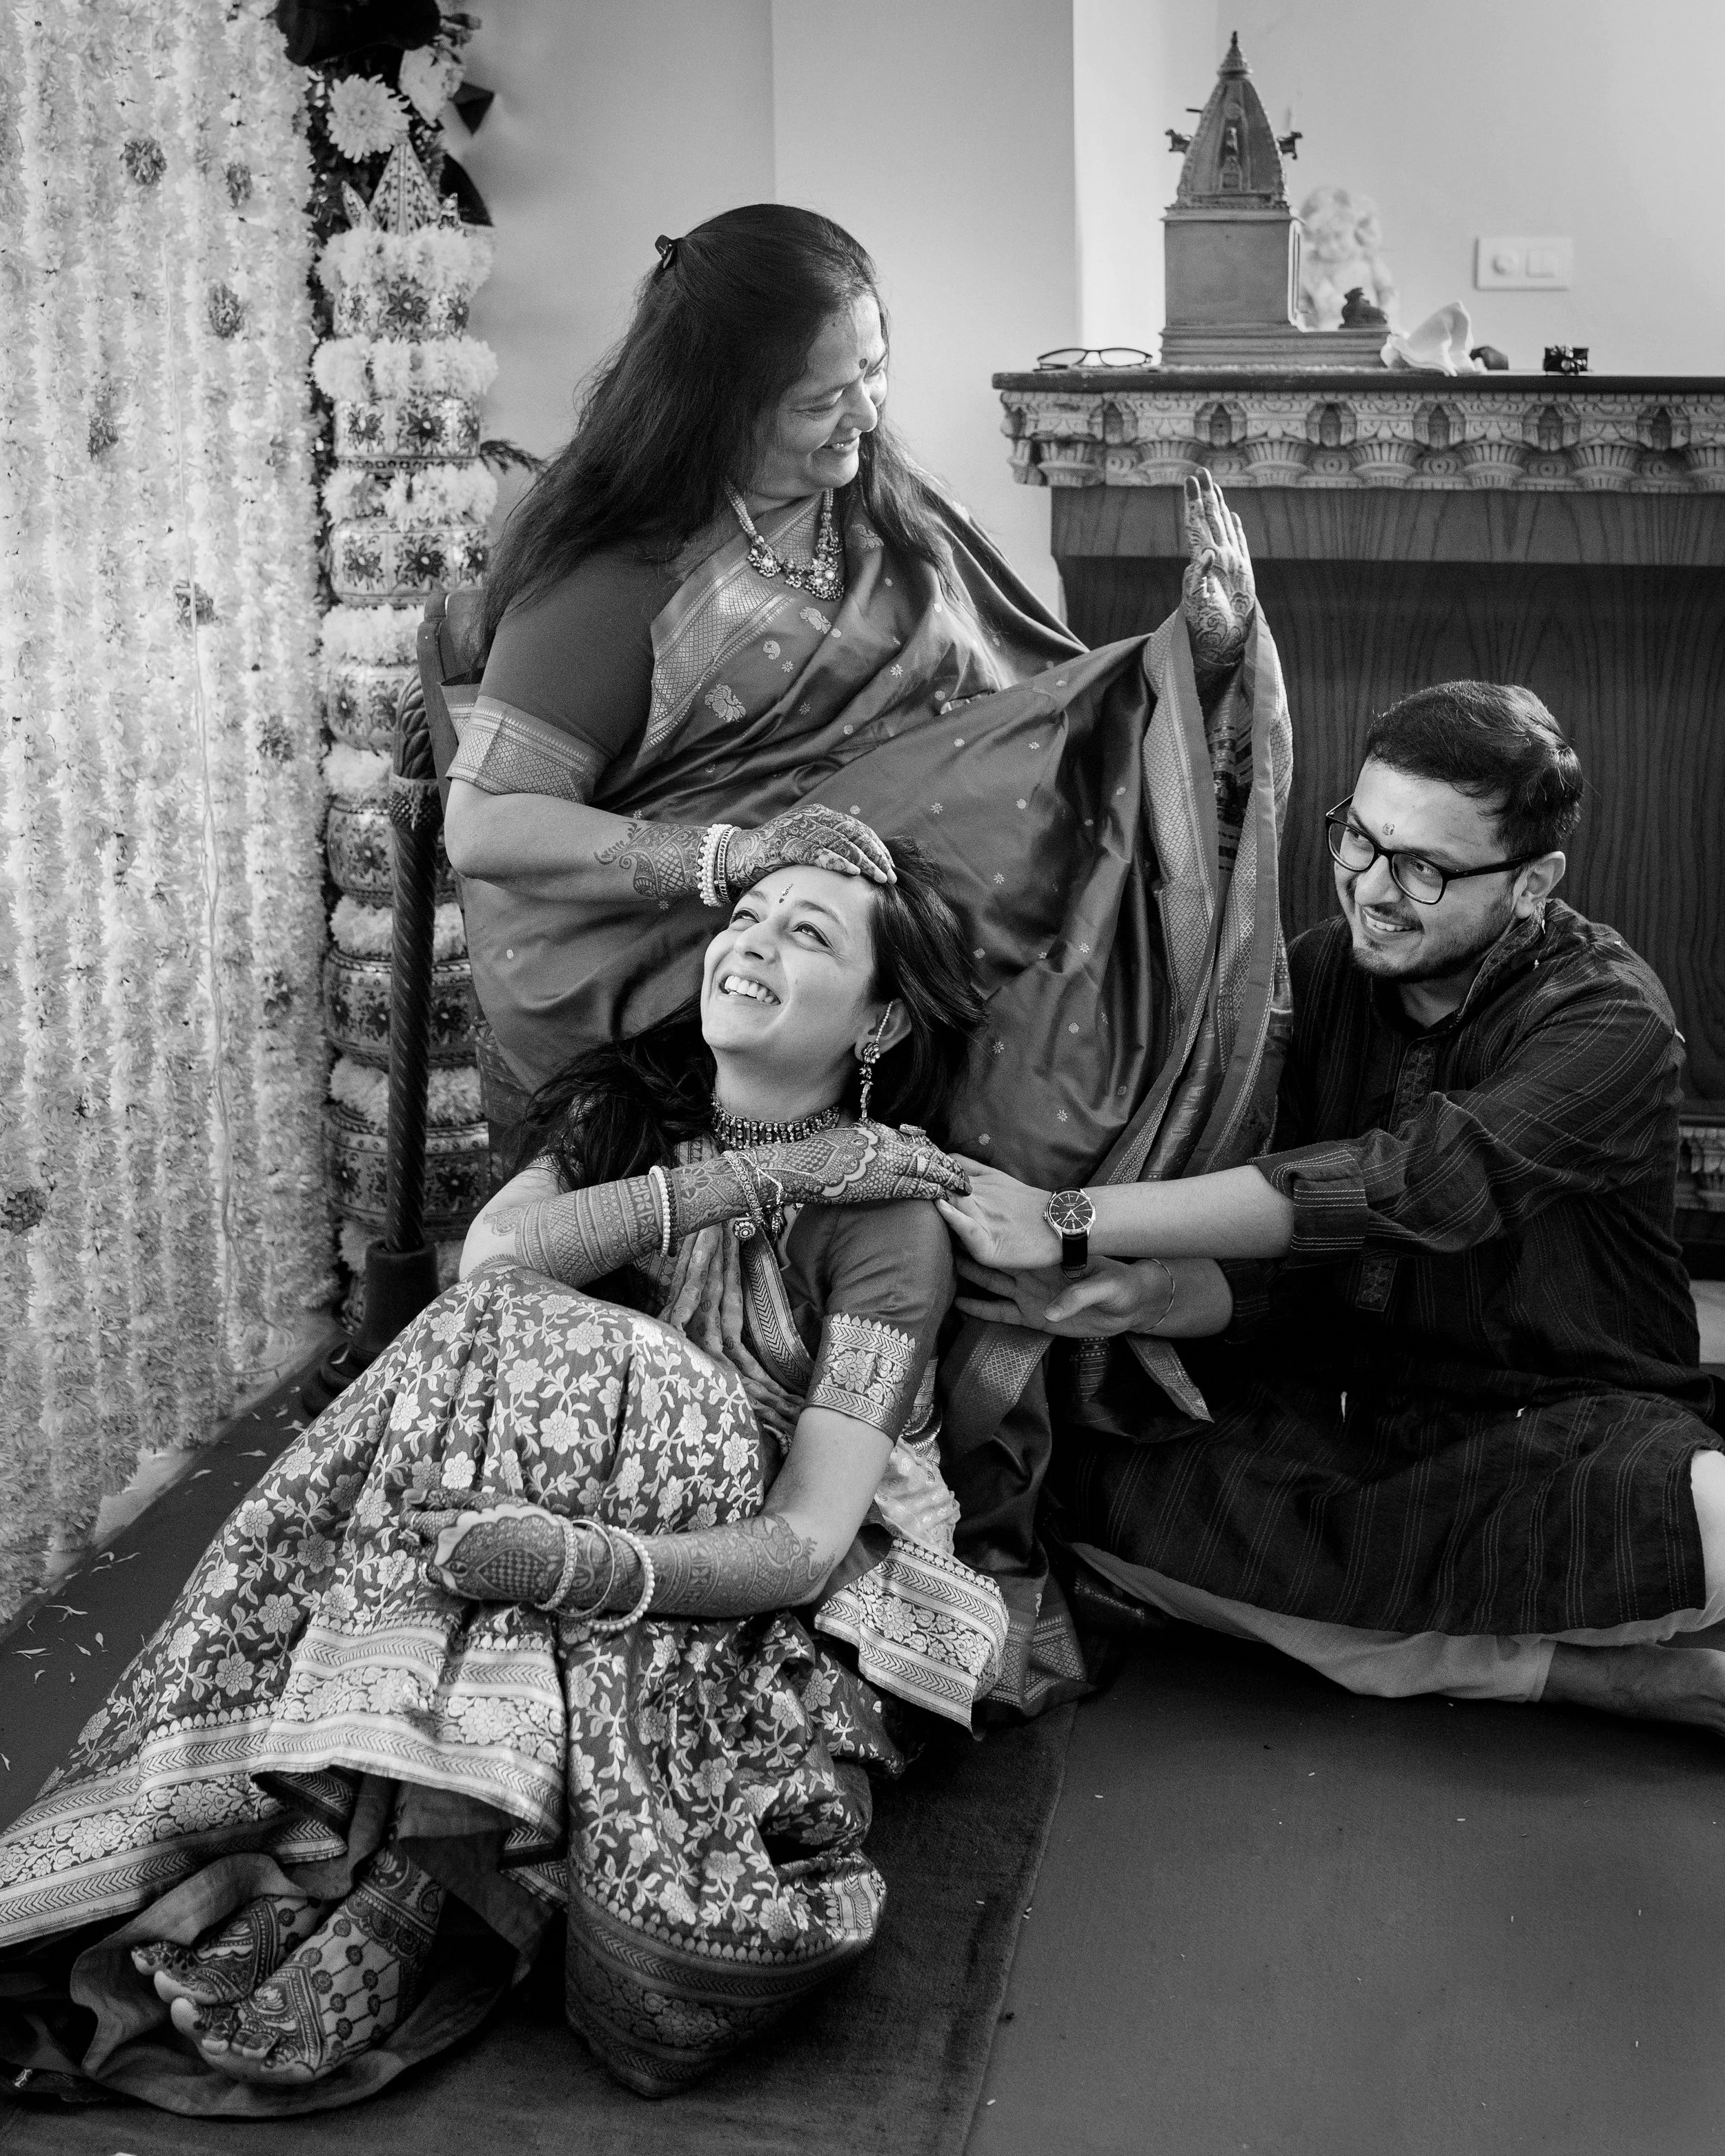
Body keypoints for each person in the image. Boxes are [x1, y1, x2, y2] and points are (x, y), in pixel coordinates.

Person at [427, 201, 1296, 1707]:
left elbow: (1019, 718)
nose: (862, 416)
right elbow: (491, 825)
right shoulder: (619, 570)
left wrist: (1181, 669)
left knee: (1041, 1055)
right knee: (914, 1063)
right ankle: (814, 1503)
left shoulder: (877, 507)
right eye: (823, 394)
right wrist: (731, 864)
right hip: (647, 949)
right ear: (719, 400)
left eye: (873, 373)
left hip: (854, 926)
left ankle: (966, 1513)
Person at [0, 842, 1010, 2113]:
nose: (750, 942)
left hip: (756, 1592)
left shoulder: (890, 1223)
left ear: (883, 1019)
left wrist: (583, 1562)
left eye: (808, 935)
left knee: (613, 1362)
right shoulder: (629, 1113)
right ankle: (355, 1842)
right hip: (527, 1517)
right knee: (493, 1323)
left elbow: (808, 1539)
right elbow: (494, 1263)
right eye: (747, 915)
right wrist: (768, 1173)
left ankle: (423, 1876)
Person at [943, 682, 1725, 1725]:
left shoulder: (1610, 1018)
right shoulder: (1317, 974)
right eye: (1357, 839)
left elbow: (1417, 1188)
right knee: (1086, 1486)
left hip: (1564, 1423)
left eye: (1425, 869)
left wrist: (1071, 1216)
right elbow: (1296, 1279)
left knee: (1701, 1522)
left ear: (1535, 882)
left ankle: (1463, 1644)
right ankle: (1590, 1677)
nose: (1371, 887)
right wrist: (1155, 1297)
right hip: (1351, 1416)